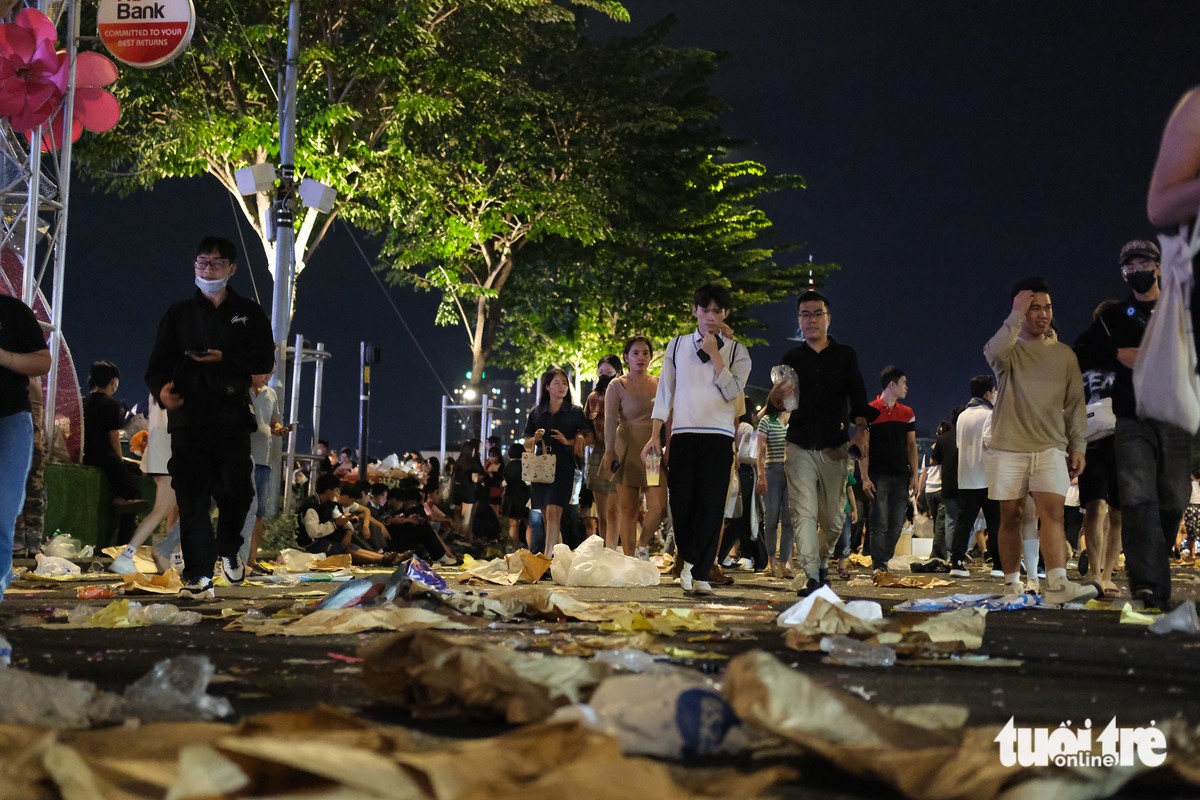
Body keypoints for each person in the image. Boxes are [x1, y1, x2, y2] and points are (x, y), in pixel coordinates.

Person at [144, 236, 275, 599]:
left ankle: (230, 548)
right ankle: (198, 576)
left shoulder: (249, 312)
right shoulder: (178, 314)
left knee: (237, 493)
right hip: (188, 418)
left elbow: (264, 361)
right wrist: (162, 392)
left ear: (231, 269)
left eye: (216, 264)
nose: (208, 270)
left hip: (232, 417)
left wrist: (225, 360)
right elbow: (156, 366)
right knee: (192, 497)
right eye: (202, 263)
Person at [1074, 239, 1188, 607]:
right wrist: (1118, 354)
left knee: (1173, 498)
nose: (1138, 270)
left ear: (1159, 267)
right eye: (1131, 265)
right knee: (1137, 498)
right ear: (1124, 273)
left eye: (1144, 263)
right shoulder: (1113, 318)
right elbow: (1081, 350)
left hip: (1173, 415)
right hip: (1131, 418)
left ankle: (1155, 563)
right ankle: (1148, 585)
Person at [983, 278, 1096, 604]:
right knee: (1011, 517)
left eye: (1047, 307)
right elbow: (992, 351)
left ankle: (1058, 584)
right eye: (1034, 307)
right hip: (1008, 446)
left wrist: (1079, 445)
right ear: (1020, 310)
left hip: (1050, 446)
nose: (1043, 314)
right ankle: (1010, 585)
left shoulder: (1064, 355)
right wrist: (1015, 315)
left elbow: (1076, 404)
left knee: (1053, 513)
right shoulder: (1010, 352)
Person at [643, 284, 752, 595]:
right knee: (682, 504)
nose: (710, 316)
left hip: (718, 437)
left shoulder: (738, 353)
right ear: (695, 311)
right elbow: (665, 392)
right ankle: (688, 560)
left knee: (712, 505)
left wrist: (716, 353)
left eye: (717, 311)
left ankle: (702, 572)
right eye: (705, 310)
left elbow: (732, 393)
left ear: (726, 314)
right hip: (683, 436)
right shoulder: (676, 346)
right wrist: (655, 436)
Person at [767, 289, 874, 597]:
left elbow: (858, 396)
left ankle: (822, 562)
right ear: (798, 319)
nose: (810, 320)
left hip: (835, 445)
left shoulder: (845, 355)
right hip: (798, 443)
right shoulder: (791, 358)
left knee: (833, 517)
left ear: (829, 318)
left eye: (817, 314)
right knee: (803, 511)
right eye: (804, 314)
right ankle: (813, 575)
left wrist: (862, 430)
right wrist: (776, 396)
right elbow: (778, 406)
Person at [0, 293, 51, 602]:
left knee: (4, 510)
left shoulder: (12, 310)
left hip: (9, 419)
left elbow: (43, 361)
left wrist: (3, 356)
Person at [605, 336, 668, 561]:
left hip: (652, 451)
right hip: (627, 448)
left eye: (645, 353)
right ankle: (629, 559)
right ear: (626, 357)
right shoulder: (617, 384)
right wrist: (609, 450)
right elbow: (610, 420)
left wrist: (667, 447)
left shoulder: (660, 382)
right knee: (628, 509)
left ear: (651, 357)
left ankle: (642, 546)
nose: (641, 357)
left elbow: (668, 417)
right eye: (635, 353)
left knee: (659, 507)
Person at [110, 395, 183, 574]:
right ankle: (127, 556)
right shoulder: (177, 381)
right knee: (162, 510)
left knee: (173, 508)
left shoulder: (158, 383)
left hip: (159, 450)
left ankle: (175, 558)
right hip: (168, 451)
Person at [525, 366, 590, 556]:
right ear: (547, 387)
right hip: (541, 467)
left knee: (554, 513)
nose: (562, 387)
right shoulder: (537, 412)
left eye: (564, 383)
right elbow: (526, 440)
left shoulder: (574, 411)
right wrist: (535, 439)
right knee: (547, 517)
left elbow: (587, 435)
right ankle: (559, 559)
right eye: (557, 383)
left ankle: (546, 559)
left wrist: (571, 440)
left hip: (563, 465)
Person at [860, 366, 919, 573]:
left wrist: (915, 475)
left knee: (896, 524)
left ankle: (884, 558)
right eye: (903, 383)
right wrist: (865, 477)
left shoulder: (907, 413)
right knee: (879, 521)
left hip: (901, 475)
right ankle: (879, 563)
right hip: (878, 475)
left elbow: (911, 445)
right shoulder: (870, 411)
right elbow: (863, 448)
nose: (906, 387)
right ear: (892, 385)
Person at [82, 360, 143, 543]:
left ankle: (119, 496)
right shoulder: (111, 406)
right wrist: (120, 463)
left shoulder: (83, 402)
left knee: (126, 481)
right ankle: (122, 546)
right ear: (114, 382)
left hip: (86, 455)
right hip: (105, 457)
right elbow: (114, 437)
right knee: (134, 494)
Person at [243, 370, 291, 571]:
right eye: (264, 373)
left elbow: (272, 419)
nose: (267, 378)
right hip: (243, 458)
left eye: (270, 374)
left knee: (258, 512)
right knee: (241, 510)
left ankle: (251, 560)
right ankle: (236, 559)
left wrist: (279, 429)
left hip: (264, 461)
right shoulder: (241, 390)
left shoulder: (270, 393)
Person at [585, 354, 622, 549]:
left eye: (609, 373)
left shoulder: (626, 392)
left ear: (618, 372)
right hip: (599, 454)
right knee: (602, 513)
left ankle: (613, 551)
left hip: (621, 453)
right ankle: (605, 551)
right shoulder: (593, 398)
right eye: (601, 373)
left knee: (616, 510)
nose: (604, 376)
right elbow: (586, 429)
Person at [756, 404, 794, 577]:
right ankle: (770, 562)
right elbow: (760, 450)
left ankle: (783, 563)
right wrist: (761, 474)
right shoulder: (767, 421)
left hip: (793, 472)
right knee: (771, 518)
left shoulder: (796, 421)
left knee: (789, 520)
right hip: (773, 470)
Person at [502, 443, 530, 549]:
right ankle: (530, 548)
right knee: (528, 524)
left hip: (510, 499)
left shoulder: (507, 467)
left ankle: (515, 548)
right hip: (524, 498)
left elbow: (504, 484)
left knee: (513, 524)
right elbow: (529, 483)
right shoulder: (525, 465)